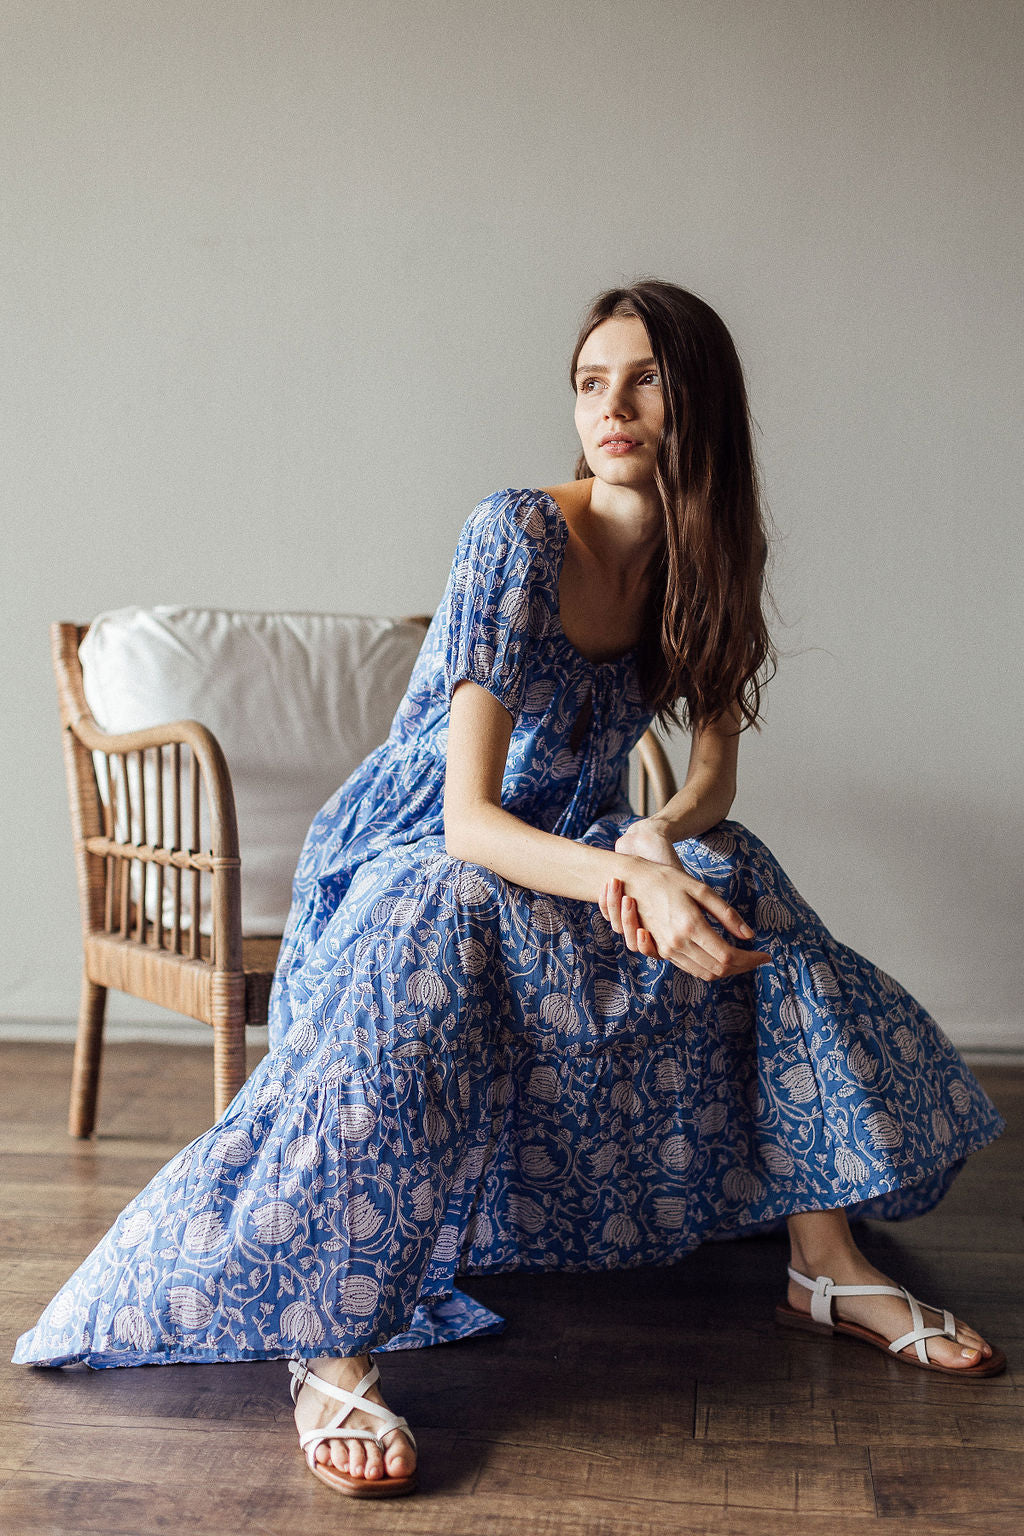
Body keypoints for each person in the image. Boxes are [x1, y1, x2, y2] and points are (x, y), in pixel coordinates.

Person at [14, 280, 1005, 1501]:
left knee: (737, 871)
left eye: (646, 379)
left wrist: (650, 840)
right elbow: (465, 821)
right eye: (592, 382)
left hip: (582, 841)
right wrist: (623, 874)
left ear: (705, 403)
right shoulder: (518, 534)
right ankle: (334, 1336)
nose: (615, 408)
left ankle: (825, 1257)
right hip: (419, 852)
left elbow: (705, 785)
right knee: (449, 916)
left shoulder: (709, 556)